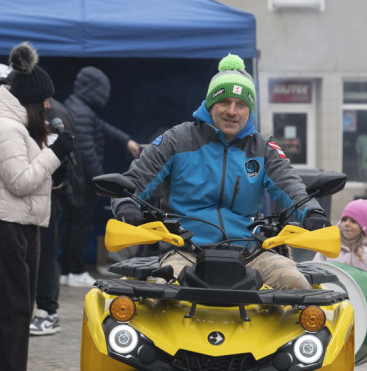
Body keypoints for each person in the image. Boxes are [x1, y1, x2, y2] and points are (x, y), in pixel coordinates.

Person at [113, 54, 328, 290]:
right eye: (224, 102)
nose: (232, 111)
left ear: (250, 110)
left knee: (296, 284)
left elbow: (291, 185)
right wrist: (126, 205)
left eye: (241, 104)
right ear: (210, 104)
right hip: (185, 251)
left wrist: (312, 212)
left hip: (249, 252)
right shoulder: (176, 140)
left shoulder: (264, 149)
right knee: (165, 291)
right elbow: (133, 182)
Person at [0, 42, 76, 371]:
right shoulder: (6, 129)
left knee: (16, 306)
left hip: (21, 222)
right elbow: (20, 180)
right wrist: (55, 152)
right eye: (44, 101)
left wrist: (58, 159)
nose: (49, 106)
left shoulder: (23, 128)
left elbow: (40, 177)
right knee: (14, 308)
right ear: (30, 100)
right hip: (5, 224)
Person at [62, 66, 140, 287]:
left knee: (71, 222)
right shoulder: (81, 112)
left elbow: (102, 127)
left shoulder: (76, 106)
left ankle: (66, 271)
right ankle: (76, 271)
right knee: (79, 224)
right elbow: (87, 153)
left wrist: (125, 140)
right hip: (81, 180)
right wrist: (101, 181)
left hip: (74, 179)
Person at [31, 98, 84, 336]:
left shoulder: (53, 117)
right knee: (39, 253)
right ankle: (43, 310)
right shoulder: (38, 115)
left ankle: (47, 311)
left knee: (45, 253)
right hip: (43, 194)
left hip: (49, 194)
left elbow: (64, 163)